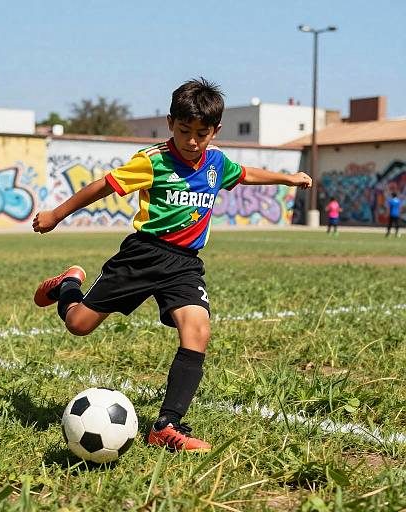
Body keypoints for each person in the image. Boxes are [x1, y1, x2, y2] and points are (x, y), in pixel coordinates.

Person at [32, 78, 312, 452]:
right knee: (78, 325)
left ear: (216, 131)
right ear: (170, 124)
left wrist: (287, 179)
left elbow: (245, 174)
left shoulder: (216, 163)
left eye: (201, 133)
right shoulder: (152, 161)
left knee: (197, 329)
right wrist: (56, 213)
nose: (192, 141)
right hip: (142, 255)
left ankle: (166, 425)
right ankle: (68, 284)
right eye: (184, 131)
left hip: (184, 264)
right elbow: (100, 186)